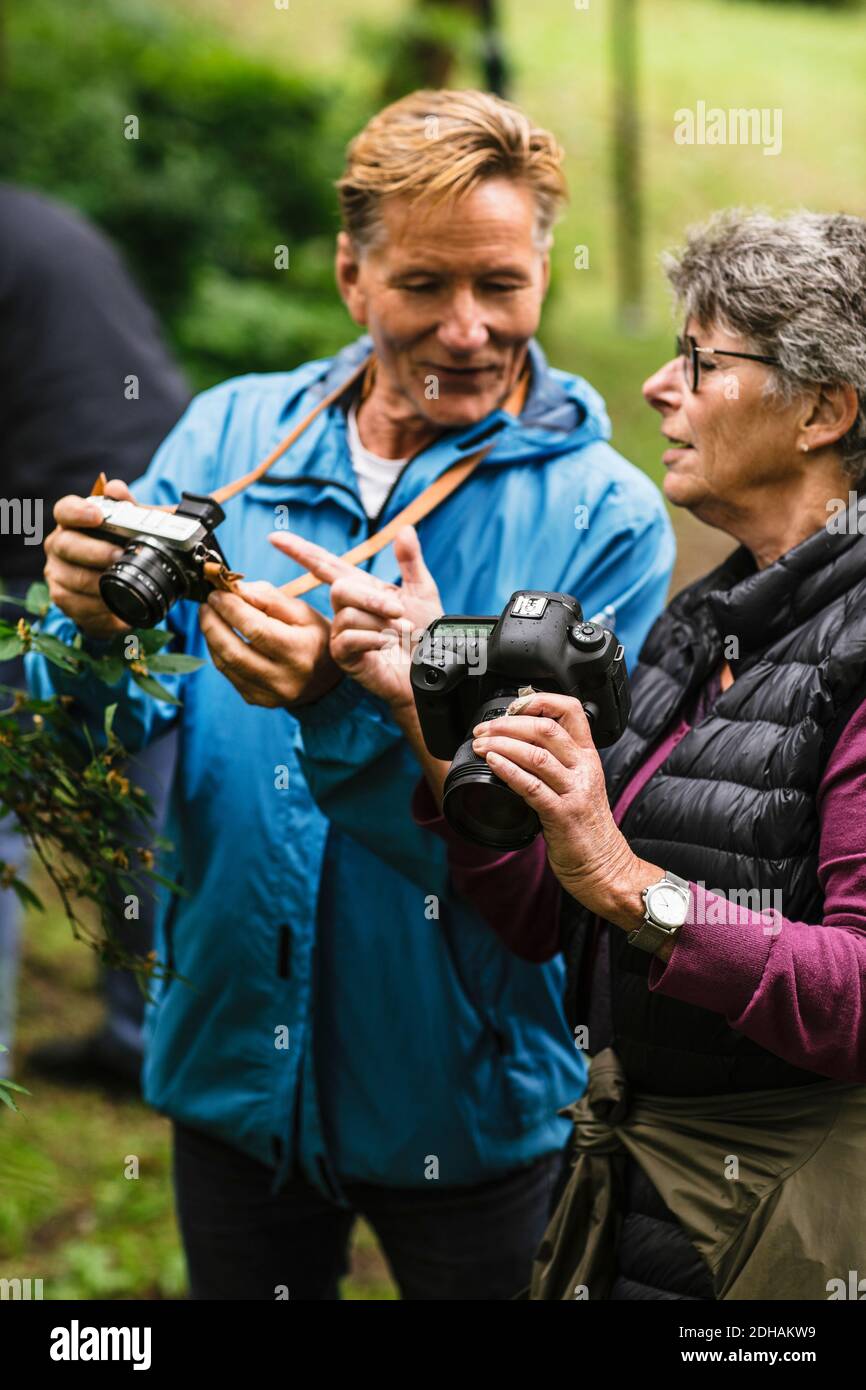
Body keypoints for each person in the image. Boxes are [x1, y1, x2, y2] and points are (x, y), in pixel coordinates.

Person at [27, 89, 674, 1300]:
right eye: (424, 284)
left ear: (542, 272)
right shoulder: (227, 436)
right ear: (347, 273)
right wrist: (83, 629)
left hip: (464, 1088)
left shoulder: (605, 517)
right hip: (230, 1059)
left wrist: (346, 702)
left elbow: (547, 850)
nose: (468, 328)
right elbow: (93, 734)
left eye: (501, 283)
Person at [303, 209, 866, 1300]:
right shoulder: (700, 626)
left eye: (700, 362)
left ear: (822, 411)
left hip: (786, 1233)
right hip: (637, 1204)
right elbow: (547, 923)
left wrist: (625, 879)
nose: (656, 388)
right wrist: (427, 707)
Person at [0, 184, 188, 1087]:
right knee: (136, 788)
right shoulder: (48, 220)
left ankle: (140, 1041)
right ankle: (142, 1036)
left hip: (55, 534)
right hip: (161, 507)